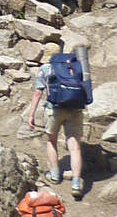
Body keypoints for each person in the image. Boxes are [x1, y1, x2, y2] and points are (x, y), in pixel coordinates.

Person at [27, 44, 92, 198]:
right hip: (75, 110)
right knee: (75, 148)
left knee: (52, 141)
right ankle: (76, 183)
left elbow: (37, 93)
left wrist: (31, 115)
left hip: (54, 109)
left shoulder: (45, 69)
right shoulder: (73, 66)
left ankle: (55, 174)